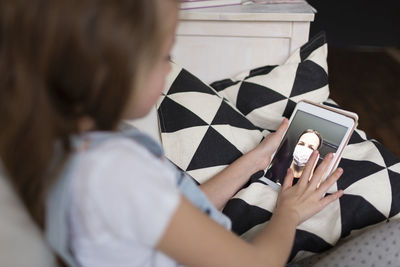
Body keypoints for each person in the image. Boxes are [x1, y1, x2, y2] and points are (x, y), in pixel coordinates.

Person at [0, 0, 345, 266]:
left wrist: (256, 160)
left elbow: (174, 218)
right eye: (164, 55)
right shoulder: (112, 169)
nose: (170, 68)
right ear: (113, 71)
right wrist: (290, 213)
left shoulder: (61, 144)